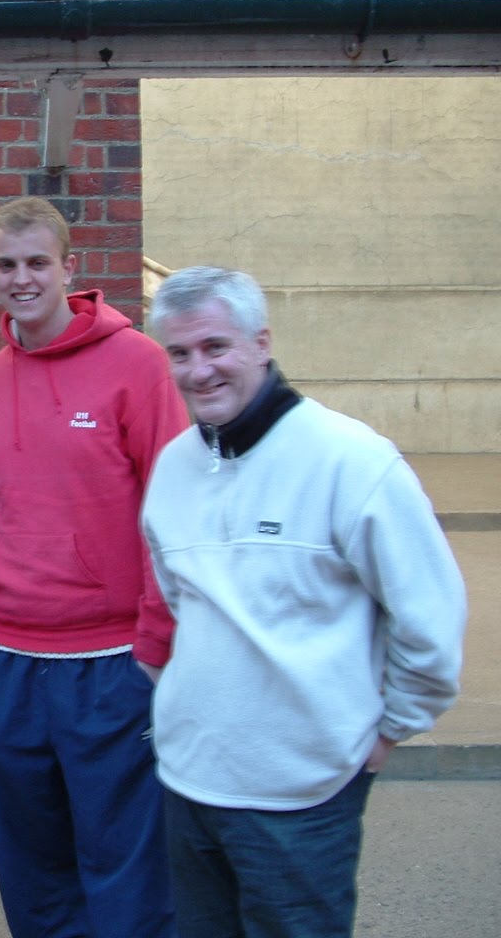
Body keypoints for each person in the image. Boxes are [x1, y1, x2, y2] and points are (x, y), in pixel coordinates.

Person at [141, 265, 467, 938]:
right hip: (190, 785)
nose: (198, 371)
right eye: (180, 353)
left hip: (302, 800)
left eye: (215, 347)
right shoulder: (172, 469)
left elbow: (430, 623)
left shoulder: (351, 462)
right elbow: (182, 607)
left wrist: (387, 731)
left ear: (261, 342)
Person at [0, 196, 188, 938]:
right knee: (31, 867)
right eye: (5, 265)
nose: (20, 279)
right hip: (5, 660)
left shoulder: (140, 365)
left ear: (70, 267)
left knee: (123, 860)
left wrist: (156, 647)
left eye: (36, 263)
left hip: (112, 661)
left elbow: (173, 517)